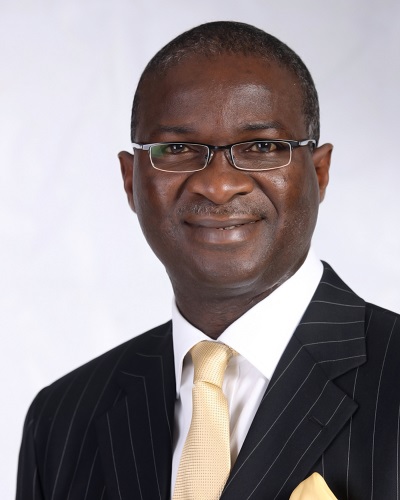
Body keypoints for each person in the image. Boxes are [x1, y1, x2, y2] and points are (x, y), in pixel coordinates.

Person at [16, 21, 400, 500]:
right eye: (177, 149)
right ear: (131, 181)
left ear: (319, 172)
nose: (218, 186)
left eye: (262, 147)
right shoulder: (62, 420)